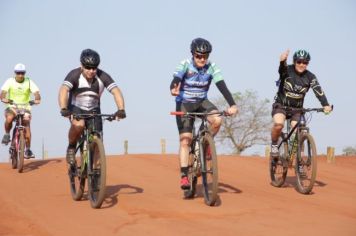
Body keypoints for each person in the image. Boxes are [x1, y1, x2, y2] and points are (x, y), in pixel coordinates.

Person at [170, 38, 238, 190]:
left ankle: (206, 143)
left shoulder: (212, 67)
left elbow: (222, 85)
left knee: (218, 119)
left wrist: (232, 104)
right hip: (184, 103)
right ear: (193, 54)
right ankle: (184, 176)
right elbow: (176, 78)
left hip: (201, 102)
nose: (202, 59)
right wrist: (174, 87)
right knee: (185, 140)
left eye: (205, 56)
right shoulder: (185, 64)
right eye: (198, 56)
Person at [58, 49, 126, 164]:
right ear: (81, 66)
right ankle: (71, 146)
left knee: (98, 140)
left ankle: (96, 174)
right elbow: (63, 90)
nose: (91, 71)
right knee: (79, 125)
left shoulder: (102, 76)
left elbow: (116, 91)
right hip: (76, 107)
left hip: (94, 110)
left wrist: (121, 109)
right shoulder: (74, 75)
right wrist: (64, 108)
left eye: (94, 68)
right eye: (88, 67)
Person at [270, 49, 332, 158]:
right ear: (294, 61)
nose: (302, 64)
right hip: (281, 106)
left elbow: (318, 91)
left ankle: (299, 161)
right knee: (279, 124)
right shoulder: (287, 70)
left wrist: (325, 105)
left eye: (305, 62)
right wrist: (282, 61)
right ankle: (274, 144)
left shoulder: (310, 77)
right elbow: (281, 70)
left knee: (299, 132)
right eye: (299, 62)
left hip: (297, 109)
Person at [1, 63, 41, 158]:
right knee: (9, 118)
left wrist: (37, 99)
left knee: (26, 124)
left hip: (25, 108)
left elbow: (36, 93)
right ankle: (7, 134)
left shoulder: (29, 81)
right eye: (18, 73)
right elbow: (3, 93)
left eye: (22, 73)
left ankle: (27, 149)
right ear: (15, 73)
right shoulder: (10, 81)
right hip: (12, 107)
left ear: (24, 73)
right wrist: (4, 98)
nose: (20, 75)